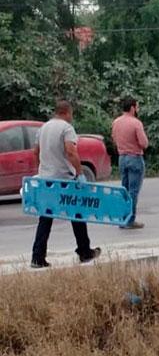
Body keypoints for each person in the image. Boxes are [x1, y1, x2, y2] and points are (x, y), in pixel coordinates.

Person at [30, 100, 101, 268]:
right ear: (67, 112)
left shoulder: (43, 128)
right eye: (71, 114)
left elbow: (35, 152)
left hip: (47, 180)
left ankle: (37, 257)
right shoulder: (66, 128)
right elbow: (70, 151)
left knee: (46, 216)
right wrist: (79, 173)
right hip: (64, 179)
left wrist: (41, 169)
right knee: (77, 213)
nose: (71, 117)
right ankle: (84, 251)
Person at [111, 97, 148, 229]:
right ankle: (130, 220)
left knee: (124, 190)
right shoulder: (136, 123)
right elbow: (144, 143)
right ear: (132, 108)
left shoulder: (116, 122)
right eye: (137, 107)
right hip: (135, 157)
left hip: (122, 158)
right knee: (133, 191)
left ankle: (123, 218)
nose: (138, 109)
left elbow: (114, 139)